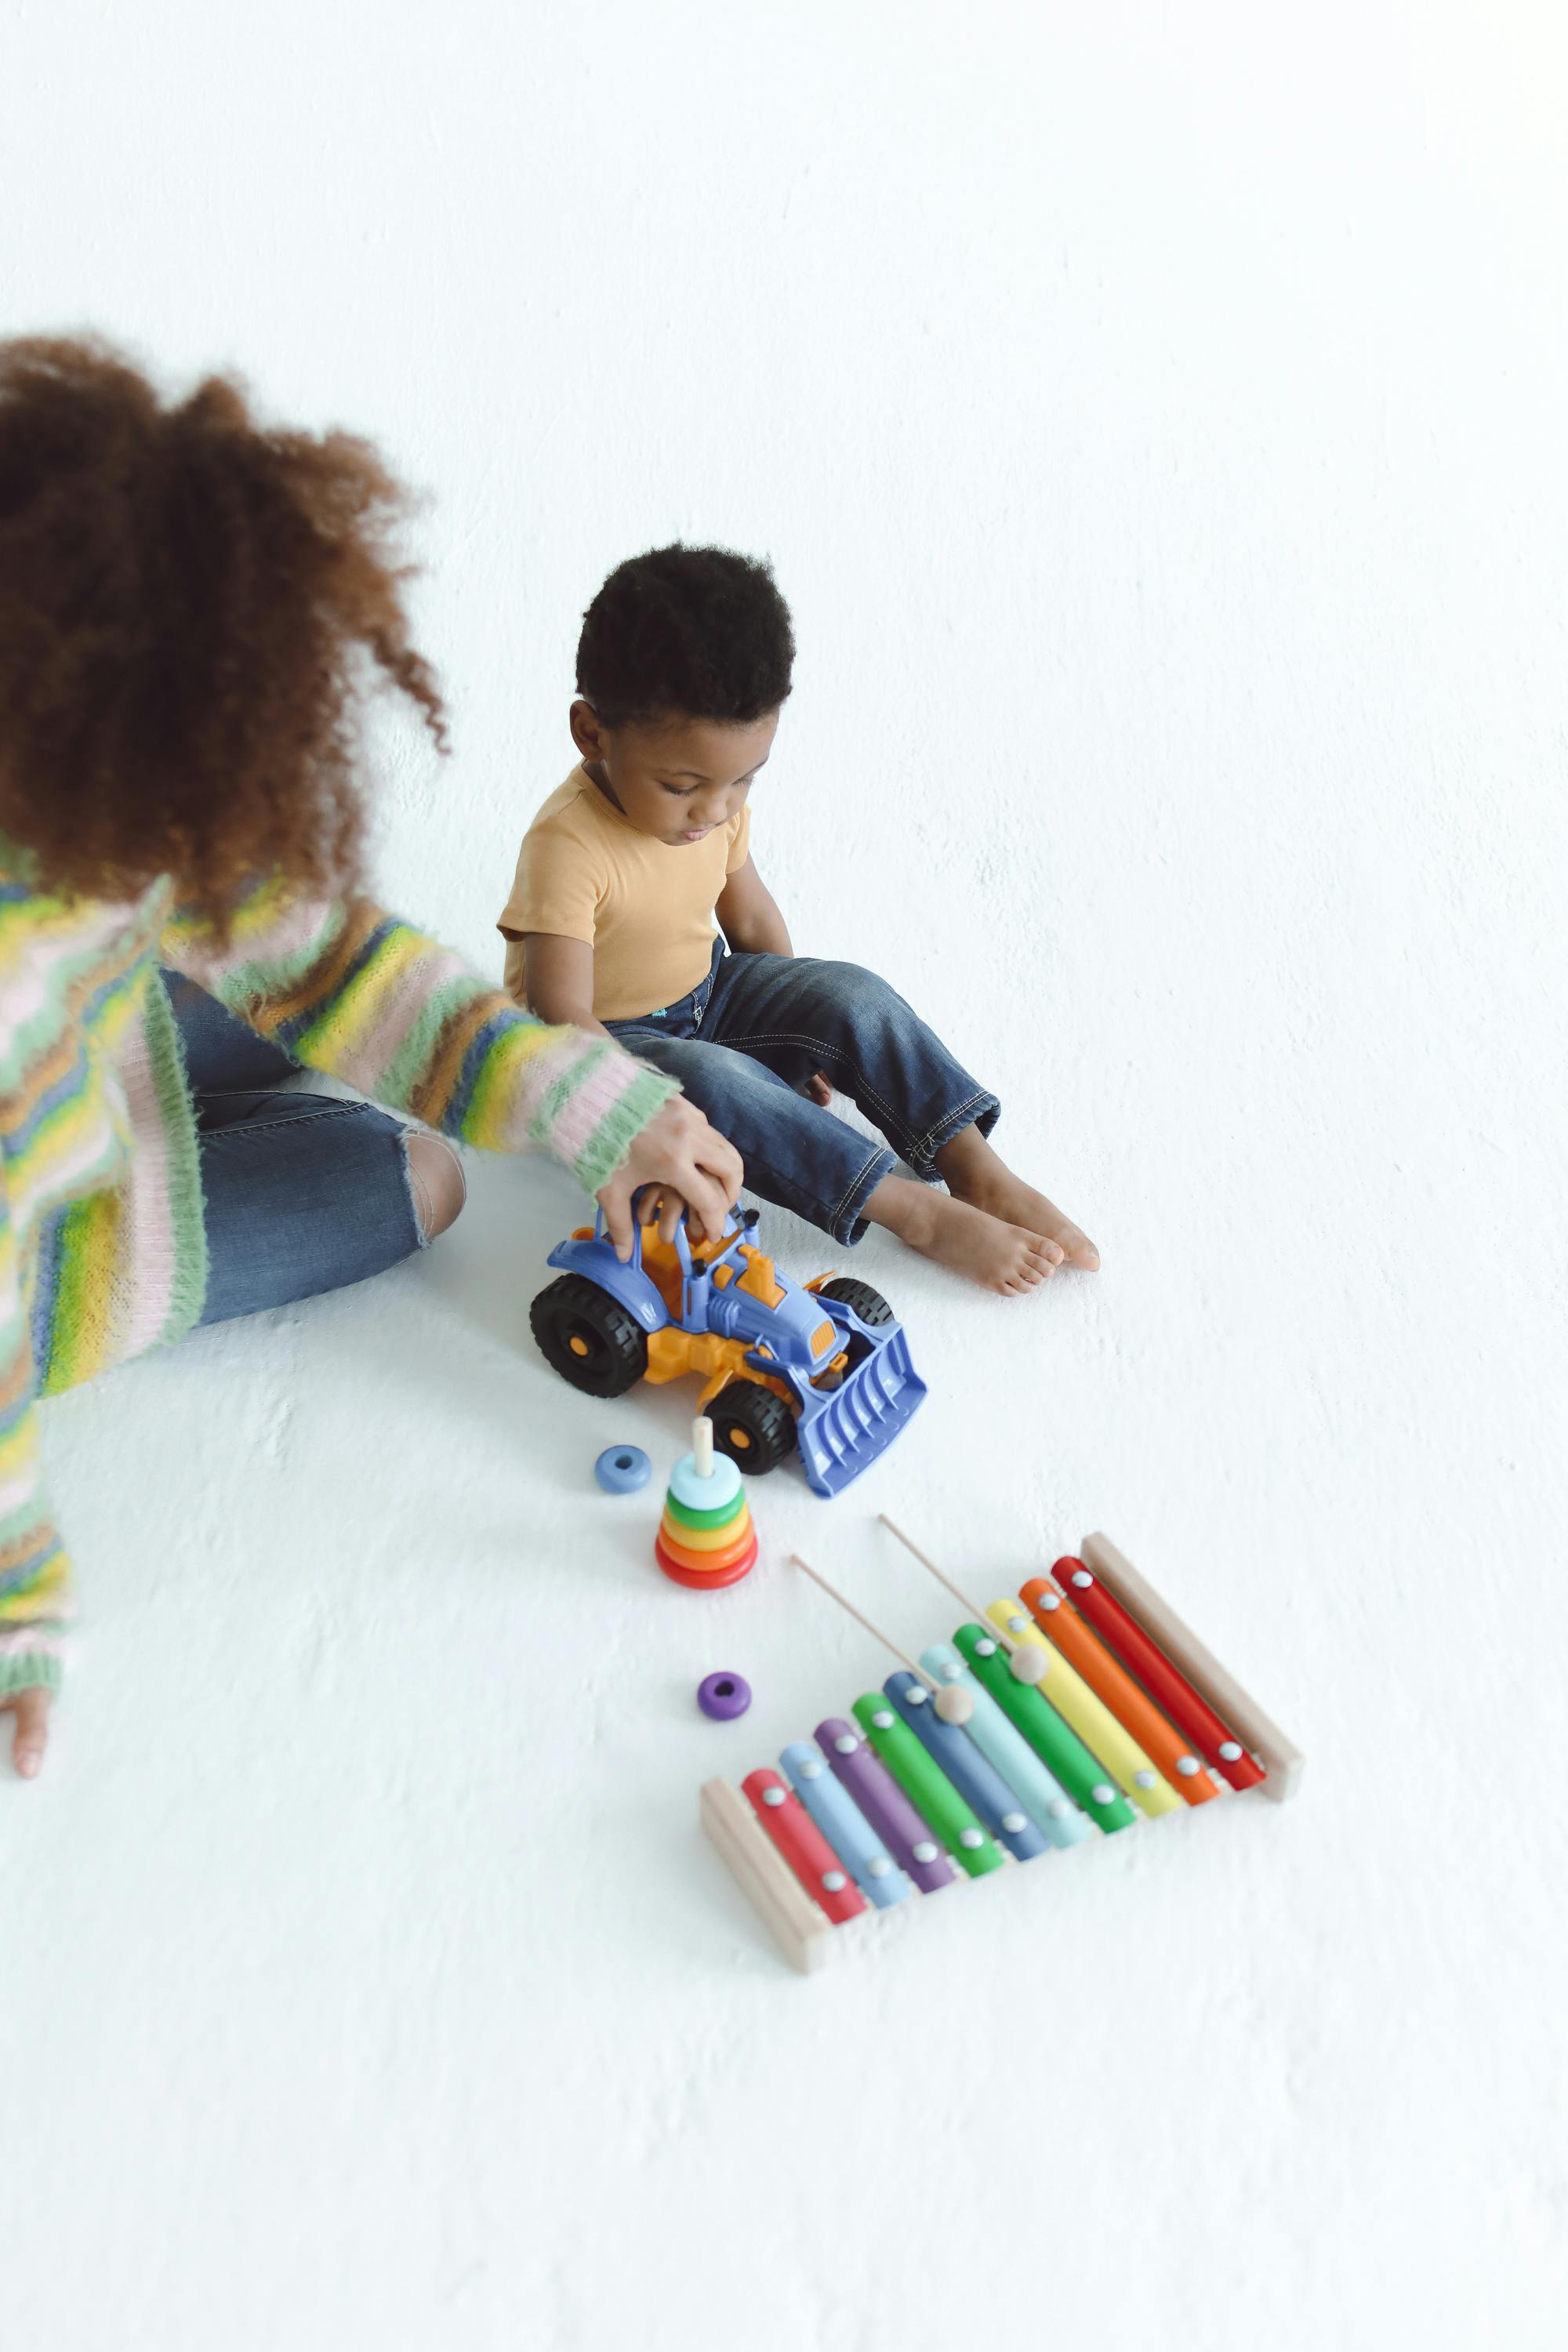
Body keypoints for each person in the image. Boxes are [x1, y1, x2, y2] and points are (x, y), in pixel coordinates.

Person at [0, 340, 741, 1780]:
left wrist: (590, 1102)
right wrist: (19, 1608)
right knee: (417, 1176)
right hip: (44, 1253)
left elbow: (320, 960)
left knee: (327, 1032)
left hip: (96, 1045)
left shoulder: (95, 806)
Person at [498, 543, 1098, 1297]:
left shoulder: (712, 810)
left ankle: (971, 1163)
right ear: (593, 734)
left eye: (742, 780)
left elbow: (749, 914)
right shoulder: (568, 846)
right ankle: (912, 1212)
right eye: (683, 785)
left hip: (708, 992)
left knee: (854, 995)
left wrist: (803, 1036)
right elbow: (560, 1019)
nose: (714, 811)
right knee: (721, 1082)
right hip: (606, 1052)